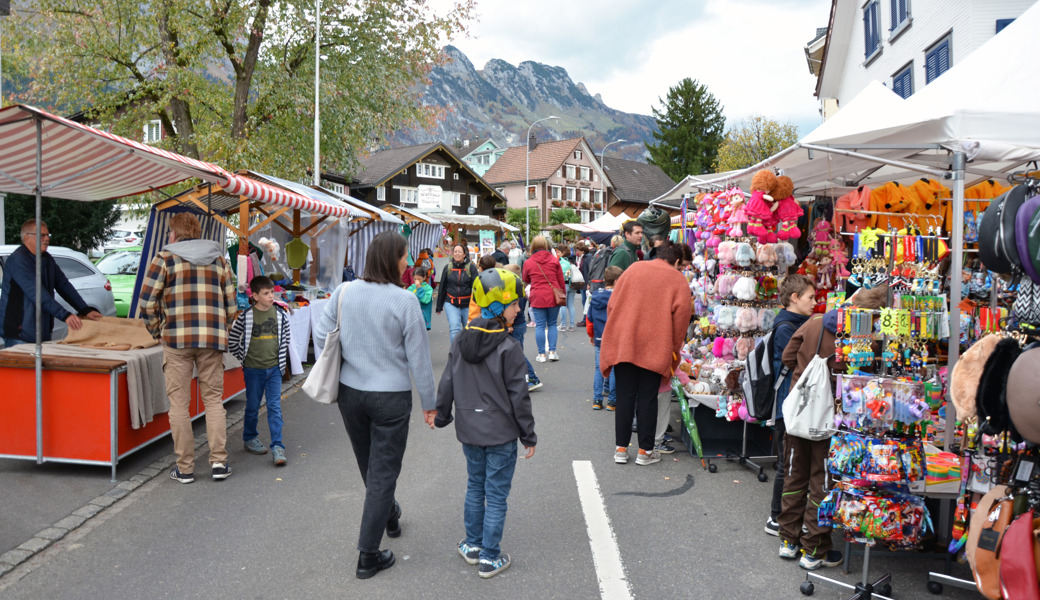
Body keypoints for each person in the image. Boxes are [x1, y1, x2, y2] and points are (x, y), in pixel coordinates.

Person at [313, 230, 437, 580]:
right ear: (391, 260)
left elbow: (322, 336)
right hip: (391, 398)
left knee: (370, 466)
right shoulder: (405, 301)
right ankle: (368, 554)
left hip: (351, 393)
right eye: (404, 256)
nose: (408, 263)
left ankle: (389, 512)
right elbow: (419, 360)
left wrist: (353, 352)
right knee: (382, 472)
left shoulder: (344, 291)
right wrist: (431, 403)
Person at [435, 267, 537, 579]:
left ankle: (473, 545)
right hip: (501, 435)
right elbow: (519, 397)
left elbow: (447, 382)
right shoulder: (509, 348)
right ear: (497, 306)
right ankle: (490, 557)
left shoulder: (461, 342)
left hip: (469, 431)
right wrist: (528, 436)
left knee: (475, 486)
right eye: (515, 303)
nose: (519, 308)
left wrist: (442, 414)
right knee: (496, 495)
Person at [778, 285, 888, 571]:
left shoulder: (814, 322)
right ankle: (814, 549)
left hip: (799, 414)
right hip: (832, 420)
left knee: (794, 476)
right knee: (821, 483)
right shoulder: (862, 338)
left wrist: (805, 373)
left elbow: (788, 358)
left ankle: (788, 541)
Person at [139, 213, 237, 483]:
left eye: (170, 232)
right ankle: (219, 463)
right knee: (214, 401)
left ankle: (185, 468)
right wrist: (221, 329)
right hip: (212, 341)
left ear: (175, 233)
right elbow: (232, 306)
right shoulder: (219, 260)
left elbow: (146, 302)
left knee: (179, 405)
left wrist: (158, 331)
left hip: (176, 341)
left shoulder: (164, 259)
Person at [600, 241, 691, 466]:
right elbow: (681, 322)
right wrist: (674, 351)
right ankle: (645, 451)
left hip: (624, 342)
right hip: (655, 345)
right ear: (677, 260)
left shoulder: (634, 269)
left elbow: (612, 305)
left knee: (624, 396)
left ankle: (621, 449)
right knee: (648, 398)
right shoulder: (677, 279)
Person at [763, 274, 816, 537]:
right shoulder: (787, 327)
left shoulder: (795, 323)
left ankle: (783, 515)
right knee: (788, 463)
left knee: (790, 462)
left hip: (791, 401)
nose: (815, 303)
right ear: (794, 298)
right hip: (788, 403)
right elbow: (797, 363)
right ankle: (776, 518)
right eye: (810, 297)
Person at [0, 219, 102, 347]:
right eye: (42, 235)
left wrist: (85, 309)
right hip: (19, 334)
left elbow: (63, 285)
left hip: (41, 332)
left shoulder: (47, 259)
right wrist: (65, 315)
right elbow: (37, 293)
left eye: (48, 235)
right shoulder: (18, 260)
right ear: (27, 238)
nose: (46, 239)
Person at [227, 275, 292, 467]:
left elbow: (286, 339)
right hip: (253, 370)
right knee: (253, 406)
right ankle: (249, 438)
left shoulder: (280, 315)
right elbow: (233, 341)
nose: (271, 296)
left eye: (272, 292)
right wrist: (244, 359)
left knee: (274, 407)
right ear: (254, 296)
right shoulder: (246, 317)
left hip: (274, 370)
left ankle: (278, 446)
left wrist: (280, 363)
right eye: (266, 293)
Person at [521, 235, 565, 363]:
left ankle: (541, 354)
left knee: (540, 325)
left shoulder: (528, 262)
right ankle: (552, 352)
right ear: (546, 246)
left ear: (533, 246)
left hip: (538, 295)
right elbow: (561, 280)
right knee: (552, 324)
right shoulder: (554, 260)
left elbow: (526, 279)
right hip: (553, 295)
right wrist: (563, 295)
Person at [586, 266, 621, 410]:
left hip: (600, 336)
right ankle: (612, 401)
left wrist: (592, 335)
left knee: (598, 368)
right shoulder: (618, 297)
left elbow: (590, 318)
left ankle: (597, 400)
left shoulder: (595, 295)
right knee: (613, 369)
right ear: (617, 280)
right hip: (615, 337)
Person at [503, 263, 541, 392]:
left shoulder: (515, 291)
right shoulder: (520, 289)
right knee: (517, 353)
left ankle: (532, 378)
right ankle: (520, 378)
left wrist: (508, 325)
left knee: (517, 354)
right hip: (519, 325)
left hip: (515, 325)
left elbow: (514, 311)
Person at [435, 243, 479, 344]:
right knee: (454, 329)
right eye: (455, 252)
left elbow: (476, 288)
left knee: (470, 330)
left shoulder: (471, 268)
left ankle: (469, 356)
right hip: (451, 303)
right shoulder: (448, 267)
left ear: (464, 254)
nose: (457, 254)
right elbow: (442, 287)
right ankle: (455, 355)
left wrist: (478, 305)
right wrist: (439, 306)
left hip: (467, 304)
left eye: (460, 252)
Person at [469, 255, 498, 323]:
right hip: (499, 320)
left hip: (483, 319)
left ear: (481, 268)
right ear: (494, 266)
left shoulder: (478, 283)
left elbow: (474, 306)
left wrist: (471, 323)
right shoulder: (500, 280)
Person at [557, 244, 577, 331]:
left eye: (559, 252)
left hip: (564, 285)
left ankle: (563, 325)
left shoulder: (561, 262)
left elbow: (564, 275)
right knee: (571, 305)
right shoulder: (572, 260)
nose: (557, 253)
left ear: (563, 252)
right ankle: (572, 325)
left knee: (563, 305)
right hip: (572, 284)